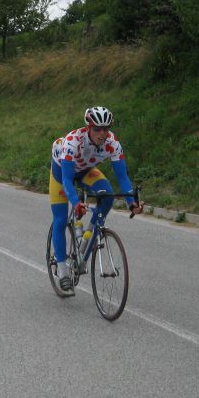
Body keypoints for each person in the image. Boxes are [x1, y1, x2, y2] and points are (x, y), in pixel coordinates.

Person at [49, 106, 143, 293]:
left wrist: (132, 203)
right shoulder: (72, 142)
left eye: (106, 129)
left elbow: (122, 178)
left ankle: (88, 236)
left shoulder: (112, 143)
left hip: (86, 171)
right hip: (62, 173)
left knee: (106, 195)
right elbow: (68, 180)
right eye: (97, 129)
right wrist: (75, 203)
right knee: (60, 220)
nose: (102, 133)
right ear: (88, 128)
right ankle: (63, 270)